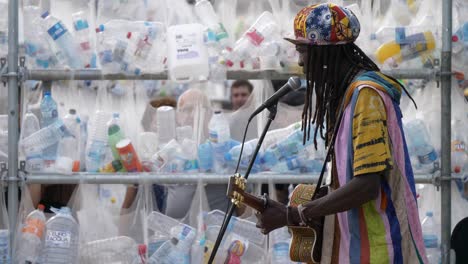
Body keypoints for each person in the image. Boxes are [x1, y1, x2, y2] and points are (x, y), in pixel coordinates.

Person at [255, 3, 428, 263]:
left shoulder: (367, 96)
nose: (300, 62)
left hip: (383, 250)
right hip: (358, 249)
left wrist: (294, 215)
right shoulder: (350, 95)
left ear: (326, 53)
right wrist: (305, 203)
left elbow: (367, 186)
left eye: (303, 51)